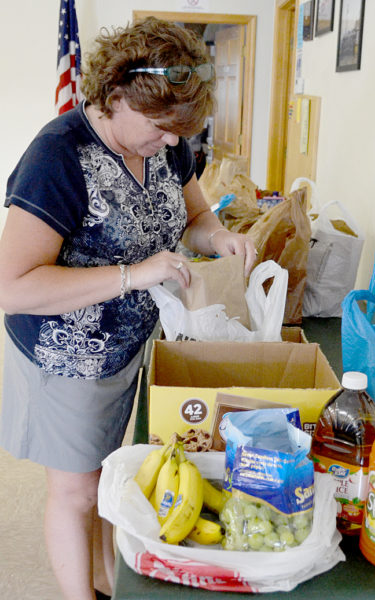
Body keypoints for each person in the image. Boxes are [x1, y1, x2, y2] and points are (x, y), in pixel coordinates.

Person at [0, 17, 256, 600]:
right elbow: (11, 286)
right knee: (77, 491)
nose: (171, 142)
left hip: (132, 347)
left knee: (110, 478)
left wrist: (219, 239)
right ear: (115, 94)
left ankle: (104, 581)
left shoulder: (170, 144)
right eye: (161, 128)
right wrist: (132, 275)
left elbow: (195, 217)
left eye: (180, 132)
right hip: (67, 356)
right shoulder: (58, 157)